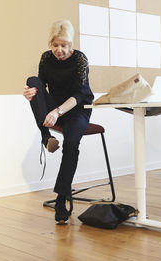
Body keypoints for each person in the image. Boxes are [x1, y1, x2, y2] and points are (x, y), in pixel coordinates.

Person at [23, 20, 94, 224]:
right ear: (50, 44)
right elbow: (41, 87)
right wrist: (30, 93)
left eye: (63, 45)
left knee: (71, 145)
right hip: (55, 107)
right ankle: (47, 137)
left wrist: (57, 111)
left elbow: (80, 95)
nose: (59, 50)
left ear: (70, 45)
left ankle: (61, 198)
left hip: (77, 110)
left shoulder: (80, 60)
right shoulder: (46, 58)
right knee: (32, 82)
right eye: (55, 45)